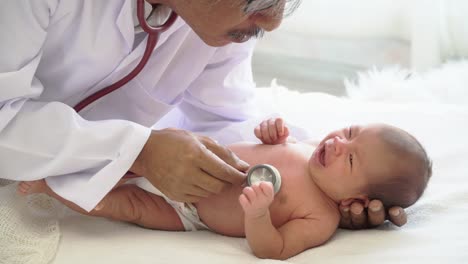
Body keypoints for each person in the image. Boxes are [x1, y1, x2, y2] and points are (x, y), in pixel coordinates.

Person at [0, 0, 404, 229]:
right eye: (259, 0)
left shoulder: (217, 30)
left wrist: (327, 181)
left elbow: (225, 119)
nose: (274, 22)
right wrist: (139, 150)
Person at [18, 117, 432, 259]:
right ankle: (66, 160)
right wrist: (270, 130)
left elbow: (274, 249)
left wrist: (258, 216)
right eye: (350, 131)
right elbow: (264, 141)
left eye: (352, 158)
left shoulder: (321, 218)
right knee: (126, 163)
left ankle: (52, 188)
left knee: (127, 205)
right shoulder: (305, 147)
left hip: (192, 214)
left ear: (357, 201)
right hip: (190, 160)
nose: (339, 143)